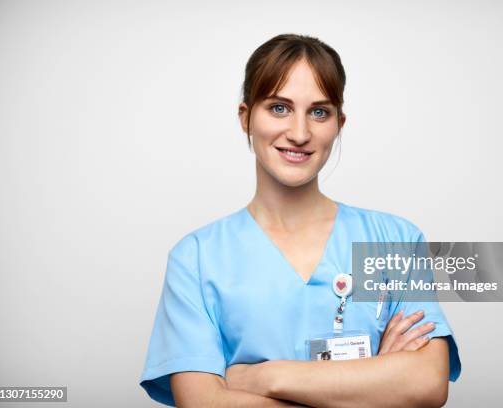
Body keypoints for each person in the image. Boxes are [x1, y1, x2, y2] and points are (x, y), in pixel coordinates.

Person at [139, 33, 461, 407]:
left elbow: (426, 384)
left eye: (319, 112)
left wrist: (263, 377)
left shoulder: (392, 240)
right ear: (246, 118)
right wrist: (373, 379)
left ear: (339, 123)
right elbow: (202, 402)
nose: (299, 133)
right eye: (279, 108)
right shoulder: (196, 257)